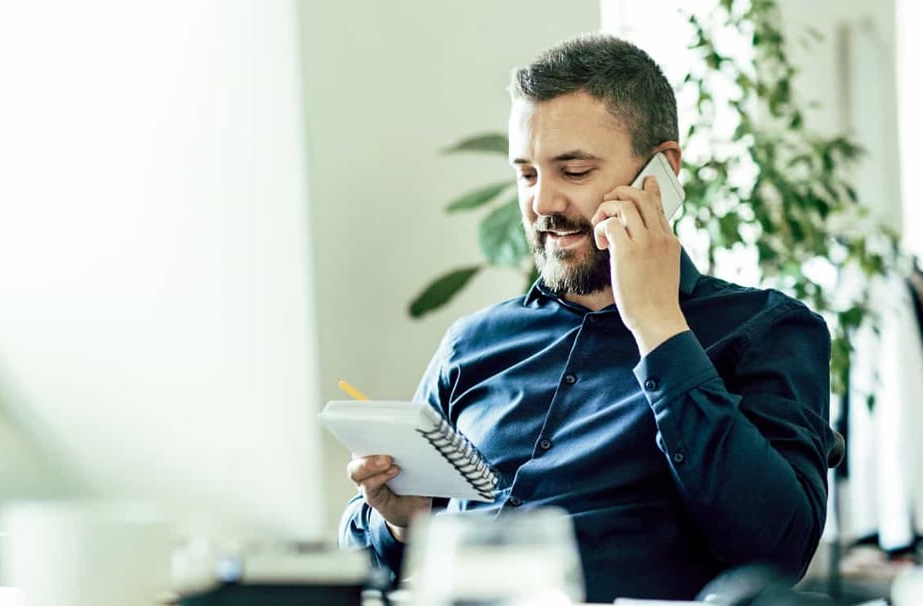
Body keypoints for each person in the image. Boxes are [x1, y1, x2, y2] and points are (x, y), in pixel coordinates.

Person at [339, 33, 835, 602]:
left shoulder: (766, 330)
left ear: (661, 171)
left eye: (573, 172)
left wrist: (658, 325)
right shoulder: (472, 343)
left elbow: (778, 551)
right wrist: (403, 521)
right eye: (526, 174)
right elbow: (360, 557)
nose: (542, 204)